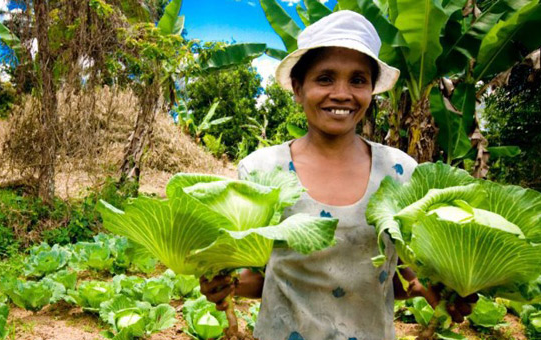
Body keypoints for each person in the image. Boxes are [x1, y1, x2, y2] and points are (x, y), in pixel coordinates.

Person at [200, 11, 473, 340]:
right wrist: (223, 284)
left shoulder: (400, 171)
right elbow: (268, 276)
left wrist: (438, 290)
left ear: (372, 91)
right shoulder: (261, 170)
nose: (342, 93)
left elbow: (395, 278)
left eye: (358, 80)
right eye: (325, 78)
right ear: (298, 88)